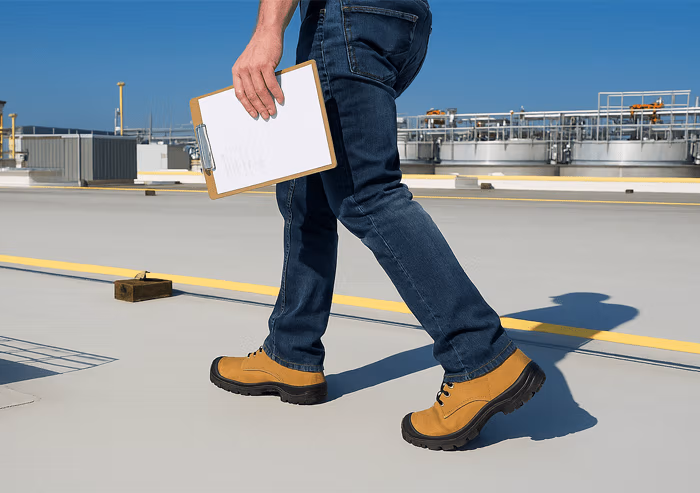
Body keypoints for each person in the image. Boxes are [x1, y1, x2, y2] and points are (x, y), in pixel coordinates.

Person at [208, 0, 545, 450]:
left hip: (345, 19)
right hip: (400, 21)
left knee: (368, 193)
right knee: (306, 192)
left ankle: (481, 358)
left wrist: (267, 31)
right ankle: (291, 351)